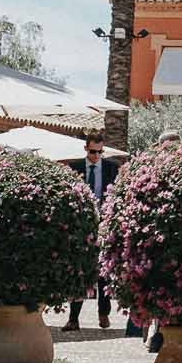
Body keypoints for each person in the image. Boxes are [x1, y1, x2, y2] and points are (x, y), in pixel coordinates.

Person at [64, 135, 119, 331]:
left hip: (104, 226)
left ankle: (103, 313)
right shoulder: (74, 168)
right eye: (92, 151)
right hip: (81, 227)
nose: (96, 155)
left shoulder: (112, 168)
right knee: (80, 271)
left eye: (100, 152)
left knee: (103, 271)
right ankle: (73, 318)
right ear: (85, 148)